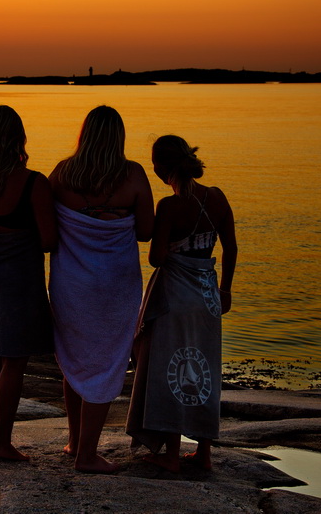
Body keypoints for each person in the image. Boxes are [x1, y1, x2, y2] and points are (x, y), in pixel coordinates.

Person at [48, 105, 154, 473]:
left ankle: (76, 441)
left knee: (76, 357)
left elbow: (44, 226)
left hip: (71, 283)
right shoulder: (134, 175)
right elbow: (144, 231)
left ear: (85, 134)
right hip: (116, 284)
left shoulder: (62, 174)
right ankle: (86, 455)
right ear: (119, 137)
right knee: (107, 361)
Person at [126, 134, 237, 472]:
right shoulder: (216, 197)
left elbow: (157, 258)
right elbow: (230, 248)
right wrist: (226, 290)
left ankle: (171, 454)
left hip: (175, 297)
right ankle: (203, 453)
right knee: (204, 371)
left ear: (163, 167)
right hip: (207, 297)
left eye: (155, 162)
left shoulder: (169, 206)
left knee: (171, 370)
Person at [0, 105, 57, 461]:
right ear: (18, 135)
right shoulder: (33, 182)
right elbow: (48, 240)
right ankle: (4, 444)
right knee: (14, 361)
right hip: (19, 278)